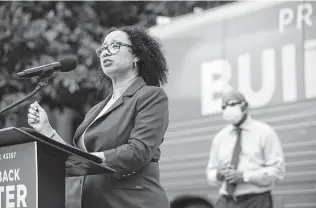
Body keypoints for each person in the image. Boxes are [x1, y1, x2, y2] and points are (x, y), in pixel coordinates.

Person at [27, 26, 170, 208]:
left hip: (133, 203)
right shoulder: (95, 110)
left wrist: (91, 161)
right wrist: (46, 130)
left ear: (136, 55)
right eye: (102, 49)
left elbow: (138, 151)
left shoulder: (151, 96)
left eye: (115, 46)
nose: (105, 53)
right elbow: (78, 158)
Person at [205, 90, 285, 208]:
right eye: (224, 106)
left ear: (245, 106)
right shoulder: (220, 138)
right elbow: (210, 172)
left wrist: (244, 176)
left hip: (256, 200)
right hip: (226, 201)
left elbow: (277, 171)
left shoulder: (265, 133)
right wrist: (219, 175)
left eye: (232, 104)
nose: (227, 108)